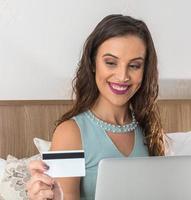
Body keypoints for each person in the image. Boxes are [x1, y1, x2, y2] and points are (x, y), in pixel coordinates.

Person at [26, 14, 165, 200]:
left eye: (134, 65)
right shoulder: (70, 133)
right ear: (93, 63)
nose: (123, 76)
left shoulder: (148, 128)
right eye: (110, 62)